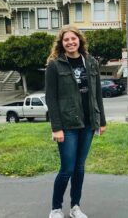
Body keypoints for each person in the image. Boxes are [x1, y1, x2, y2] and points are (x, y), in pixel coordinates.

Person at [45, 25, 106, 218]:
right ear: (61, 44)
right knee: (67, 169)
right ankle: (56, 208)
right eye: (66, 40)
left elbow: (97, 94)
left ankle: (75, 207)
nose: (70, 42)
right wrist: (56, 128)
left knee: (79, 168)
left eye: (73, 38)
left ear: (79, 40)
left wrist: (101, 121)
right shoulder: (55, 65)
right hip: (67, 125)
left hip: (88, 124)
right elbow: (51, 98)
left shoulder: (90, 62)